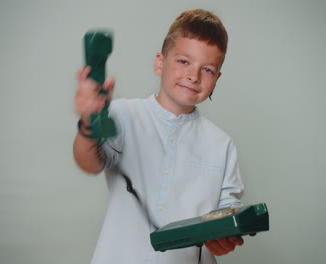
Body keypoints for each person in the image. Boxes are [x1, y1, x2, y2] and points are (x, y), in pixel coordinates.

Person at [73, 8, 246, 263]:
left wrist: (225, 239)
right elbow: (88, 163)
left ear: (217, 78)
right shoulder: (122, 115)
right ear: (160, 62)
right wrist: (89, 122)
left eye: (207, 69)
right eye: (184, 61)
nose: (193, 76)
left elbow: (227, 217)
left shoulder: (222, 145)